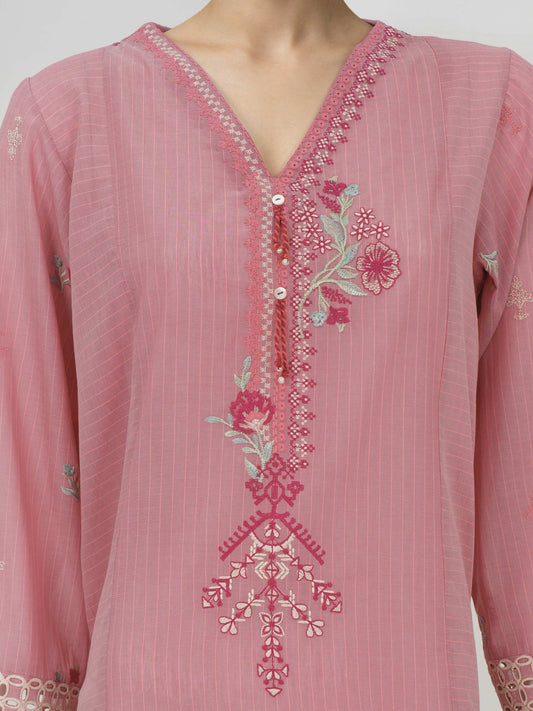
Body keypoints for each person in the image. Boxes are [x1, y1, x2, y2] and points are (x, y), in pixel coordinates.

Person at [0, 2, 532, 709]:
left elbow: (520, 446)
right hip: (149, 684)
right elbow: (29, 455)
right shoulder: (67, 118)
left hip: (406, 680)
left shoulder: (489, 110)